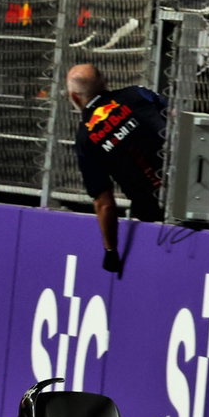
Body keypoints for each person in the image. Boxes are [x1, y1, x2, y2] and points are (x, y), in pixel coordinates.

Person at [67, 64, 167, 274]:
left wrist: (111, 250)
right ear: (105, 82)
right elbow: (179, 118)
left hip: (154, 211)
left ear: (75, 98)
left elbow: (104, 204)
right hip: (194, 189)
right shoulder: (137, 94)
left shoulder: (86, 139)